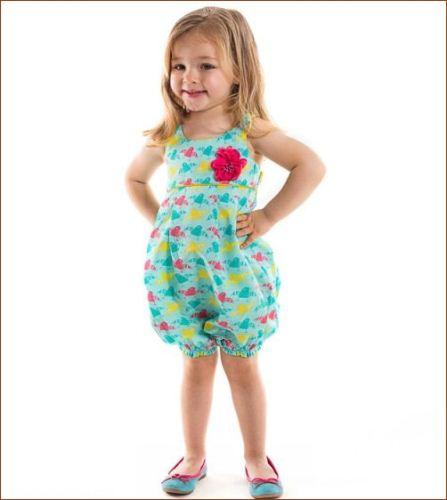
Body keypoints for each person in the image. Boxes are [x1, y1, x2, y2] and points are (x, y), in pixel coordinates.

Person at [124, 6, 326, 499]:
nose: (189, 77)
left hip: (234, 272)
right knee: (196, 364)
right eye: (178, 65)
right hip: (183, 273)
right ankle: (193, 456)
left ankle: (256, 458)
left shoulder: (249, 129)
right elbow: (134, 179)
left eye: (206, 65)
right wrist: (164, 224)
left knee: (241, 364)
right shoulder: (171, 132)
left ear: (238, 71)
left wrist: (268, 217)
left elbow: (310, 166)